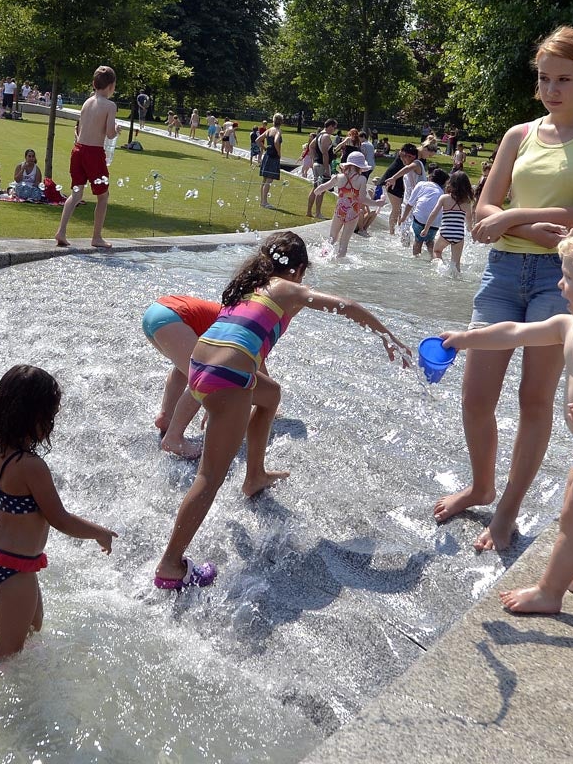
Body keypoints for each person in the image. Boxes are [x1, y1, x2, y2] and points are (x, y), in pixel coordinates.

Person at [433, 26, 573, 552]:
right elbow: (482, 215)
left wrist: (516, 214)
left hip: (561, 281)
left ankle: (508, 509)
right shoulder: (518, 134)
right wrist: (524, 227)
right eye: (544, 79)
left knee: (533, 399)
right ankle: (482, 485)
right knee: (475, 397)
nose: (552, 89)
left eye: (564, 79)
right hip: (501, 273)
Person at [153, 231, 411, 589]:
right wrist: (386, 335)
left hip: (200, 363)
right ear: (298, 269)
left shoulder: (245, 288)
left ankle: (254, 474)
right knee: (209, 477)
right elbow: (345, 305)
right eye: (304, 274)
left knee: (271, 395)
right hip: (228, 375)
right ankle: (170, 566)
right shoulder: (285, 287)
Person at [441, 225, 573, 613]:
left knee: (571, 521)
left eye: (568, 277)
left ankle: (549, 592)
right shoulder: (568, 326)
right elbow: (514, 332)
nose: (560, 285)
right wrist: (467, 338)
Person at [0, 365, 117, 663]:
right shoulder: (30, 467)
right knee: (4, 652)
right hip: (15, 568)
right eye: (49, 417)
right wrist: (98, 532)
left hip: (2, 560)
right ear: (35, 418)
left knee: (33, 630)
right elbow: (59, 518)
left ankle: (27, 694)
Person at [143, 295, 223, 459]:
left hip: (155, 312)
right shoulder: (247, 327)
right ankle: (173, 438)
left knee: (185, 369)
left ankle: (166, 417)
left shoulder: (233, 314)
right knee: (204, 379)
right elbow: (258, 373)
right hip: (172, 319)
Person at [54, 66, 122, 249]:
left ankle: (61, 231)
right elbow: (108, 134)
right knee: (103, 196)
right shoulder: (110, 105)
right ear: (111, 86)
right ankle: (97, 237)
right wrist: (116, 131)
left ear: (94, 84)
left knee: (76, 193)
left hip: (78, 150)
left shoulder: (87, 102)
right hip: (93, 153)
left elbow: (81, 129)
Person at [312, 152, 386, 257]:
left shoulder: (339, 177)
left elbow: (324, 187)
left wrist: (317, 190)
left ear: (348, 165)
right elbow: (361, 199)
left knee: (332, 237)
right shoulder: (362, 179)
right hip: (353, 212)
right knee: (344, 241)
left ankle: (322, 256)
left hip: (340, 210)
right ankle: (338, 262)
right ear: (360, 167)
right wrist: (376, 203)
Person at [421, 170, 475, 275]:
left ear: (451, 183)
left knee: (437, 251)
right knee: (456, 263)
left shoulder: (444, 198)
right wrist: (471, 230)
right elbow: (469, 219)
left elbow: (433, 214)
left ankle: (441, 267)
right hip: (459, 234)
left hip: (445, 232)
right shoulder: (467, 202)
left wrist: (426, 228)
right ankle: (456, 280)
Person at [401, 168, 448, 258]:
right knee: (430, 242)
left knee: (418, 240)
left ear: (430, 177)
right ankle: (434, 259)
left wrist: (403, 217)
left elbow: (410, 203)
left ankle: (416, 259)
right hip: (435, 221)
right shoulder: (441, 192)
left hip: (420, 218)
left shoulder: (421, 184)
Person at [376, 143, 420, 235]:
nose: (402, 158)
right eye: (401, 155)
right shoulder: (408, 161)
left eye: (403, 156)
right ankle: (392, 232)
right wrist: (394, 178)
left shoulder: (416, 162)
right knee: (397, 209)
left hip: (399, 183)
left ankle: (399, 229)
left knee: (401, 210)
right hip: (393, 183)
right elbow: (406, 170)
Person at [307, 119, 338, 219]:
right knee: (321, 190)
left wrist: (313, 159)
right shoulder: (325, 136)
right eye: (334, 127)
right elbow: (325, 154)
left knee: (315, 188)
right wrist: (327, 170)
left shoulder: (319, 135)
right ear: (330, 126)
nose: (334, 130)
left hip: (317, 163)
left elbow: (311, 146)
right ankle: (318, 213)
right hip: (322, 165)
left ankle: (309, 211)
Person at [259, 113, 283, 209]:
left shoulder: (269, 130)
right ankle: (264, 202)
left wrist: (265, 148)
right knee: (269, 180)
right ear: (281, 121)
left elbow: (258, 140)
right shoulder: (278, 131)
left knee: (264, 180)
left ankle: (262, 201)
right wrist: (279, 152)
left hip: (267, 155)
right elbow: (276, 141)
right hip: (273, 157)